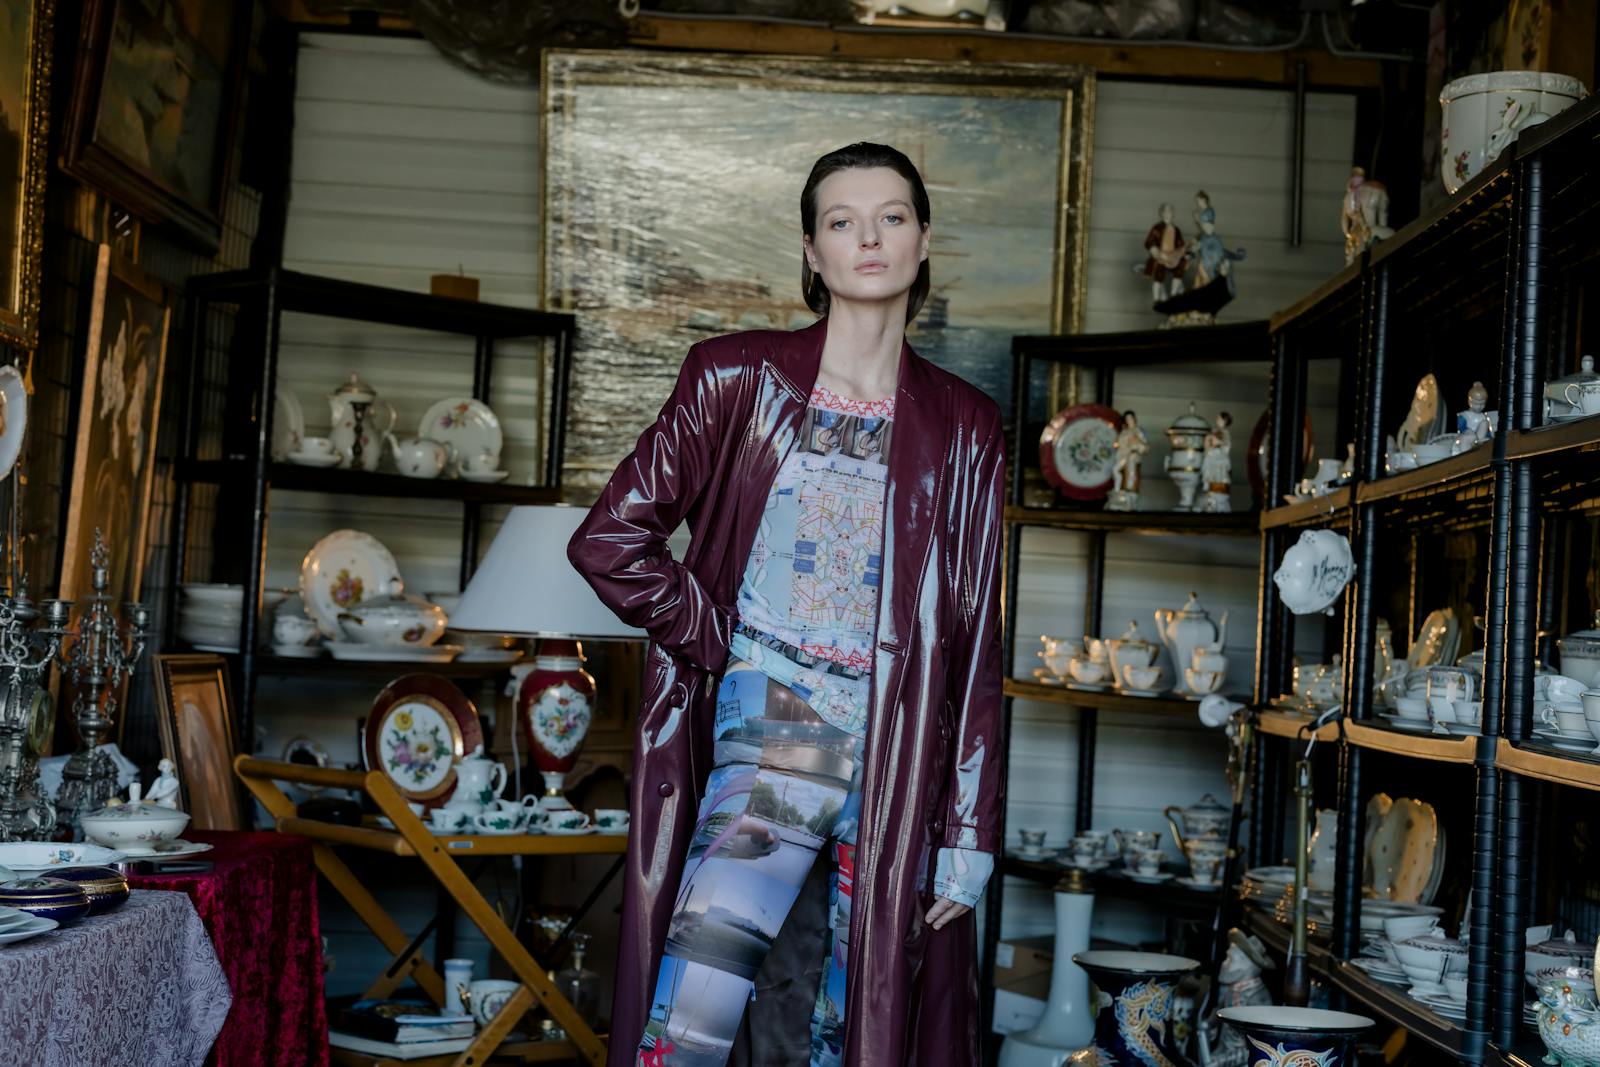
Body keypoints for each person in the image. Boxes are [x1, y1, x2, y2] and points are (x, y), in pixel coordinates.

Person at [568, 143, 1005, 1067]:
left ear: (924, 238)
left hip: (899, 742)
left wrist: (970, 828)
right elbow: (610, 538)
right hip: (779, 718)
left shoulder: (966, 423)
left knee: (843, 1023)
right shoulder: (736, 377)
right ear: (812, 251)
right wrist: (718, 637)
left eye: (891, 216)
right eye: (842, 222)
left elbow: (974, 640)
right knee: (698, 1001)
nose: (869, 238)